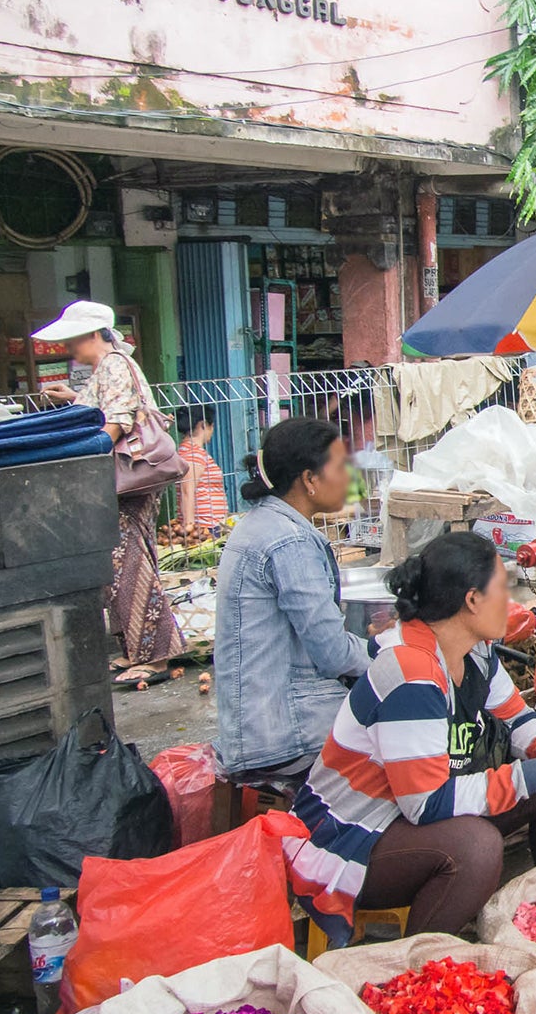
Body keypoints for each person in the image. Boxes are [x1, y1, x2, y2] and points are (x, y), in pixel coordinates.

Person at [287, 532, 536, 947]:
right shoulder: (411, 673)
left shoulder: (474, 652)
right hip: (350, 839)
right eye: (501, 589)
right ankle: (413, 970)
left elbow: (516, 718)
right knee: (476, 847)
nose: (509, 601)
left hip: (409, 817)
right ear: (472, 599)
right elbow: (426, 804)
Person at [212, 417, 376, 778]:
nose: (350, 477)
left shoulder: (261, 524)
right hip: (283, 733)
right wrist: (391, 658)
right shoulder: (290, 542)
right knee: (415, 727)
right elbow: (332, 653)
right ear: (309, 479)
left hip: (254, 724)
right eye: (341, 467)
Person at [35, 301, 184, 688]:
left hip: (127, 476)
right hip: (124, 477)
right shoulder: (108, 367)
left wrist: (83, 458)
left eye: (74, 339)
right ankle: (136, 649)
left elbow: (116, 421)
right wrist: (73, 398)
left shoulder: (115, 364)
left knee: (130, 562)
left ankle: (154, 656)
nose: (70, 347)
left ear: (92, 334)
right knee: (120, 562)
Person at [174, 404, 230, 533]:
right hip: (205, 527)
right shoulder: (193, 454)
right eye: (212, 426)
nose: (213, 430)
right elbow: (187, 490)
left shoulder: (190, 452)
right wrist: (189, 526)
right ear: (204, 425)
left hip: (209, 524)